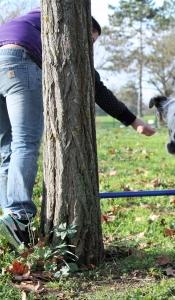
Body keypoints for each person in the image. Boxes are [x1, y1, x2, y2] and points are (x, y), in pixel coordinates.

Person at [0, 8, 156, 249]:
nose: (90, 48)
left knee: (6, 148)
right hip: (19, 60)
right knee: (25, 141)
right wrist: (133, 120)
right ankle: (19, 216)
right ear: (84, 30)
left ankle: (8, 218)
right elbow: (95, 84)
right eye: (91, 41)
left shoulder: (37, 16)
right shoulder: (66, 23)